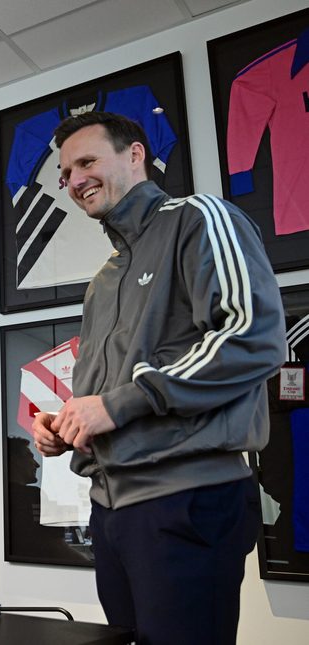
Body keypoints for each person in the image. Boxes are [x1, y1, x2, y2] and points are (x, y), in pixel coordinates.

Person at [31, 111, 286, 644]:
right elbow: (102, 396)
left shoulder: (199, 218)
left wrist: (119, 403)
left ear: (135, 155)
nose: (74, 180)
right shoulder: (104, 280)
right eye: (65, 172)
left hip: (184, 499)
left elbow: (253, 335)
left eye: (87, 161)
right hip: (111, 512)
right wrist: (67, 425)